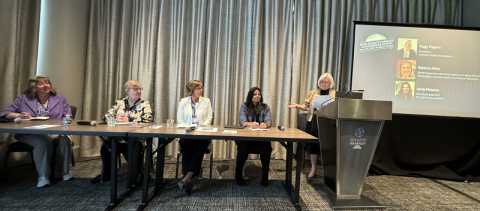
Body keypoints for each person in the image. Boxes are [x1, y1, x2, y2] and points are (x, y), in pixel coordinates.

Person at [0, 76, 73, 187]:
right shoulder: (24, 98)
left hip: (54, 130)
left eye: (47, 83)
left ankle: (64, 172)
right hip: (29, 132)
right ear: (33, 87)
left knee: (64, 139)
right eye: (41, 84)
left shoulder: (59, 98)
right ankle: (43, 176)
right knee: (42, 142)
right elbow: (5, 113)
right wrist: (19, 115)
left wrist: (66, 130)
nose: (46, 85)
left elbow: (68, 116)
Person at [90, 80, 153, 184]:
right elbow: (106, 116)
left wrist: (129, 119)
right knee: (106, 147)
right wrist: (115, 118)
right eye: (135, 89)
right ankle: (106, 174)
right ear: (127, 91)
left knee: (131, 147)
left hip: (135, 138)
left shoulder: (144, 104)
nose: (138, 91)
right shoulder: (120, 102)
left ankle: (137, 174)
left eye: (139, 89)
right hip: (118, 137)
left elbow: (148, 119)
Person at [287, 73, 336, 179]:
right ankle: (313, 167)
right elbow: (306, 107)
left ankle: (328, 168)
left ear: (330, 83)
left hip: (327, 122)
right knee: (313, 144)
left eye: (326, 82)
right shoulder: (313, 93)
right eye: (322, 82)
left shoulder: (334, 94)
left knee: (327, 145)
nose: (323, 84)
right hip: (313, 121)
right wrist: (297, 106)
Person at [177, 80, 213, 194]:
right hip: (187, 133)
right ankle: (189, 178)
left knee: (200, 145)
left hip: (202, 133)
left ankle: (186, 178)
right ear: (192, 90)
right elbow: (180, 120)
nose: (201, 90)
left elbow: (209, 118)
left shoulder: (206, 101)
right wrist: (189, 127)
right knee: (187, 146)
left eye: (201, 88)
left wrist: (201, 127)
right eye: (198, 88)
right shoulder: (183, 102)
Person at [236, 87, 272, 187]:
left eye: (259, 94)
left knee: (266, 148)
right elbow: (242, 121)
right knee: (243, 148)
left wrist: (266, 125)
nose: (257, 96)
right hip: (247, 138)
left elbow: (269, 121)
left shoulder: (265, 107)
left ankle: (265, 175)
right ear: (250, 96)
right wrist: (249, 123)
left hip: (261, 137)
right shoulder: (244, 106)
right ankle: (238, 174)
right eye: (255, 94)